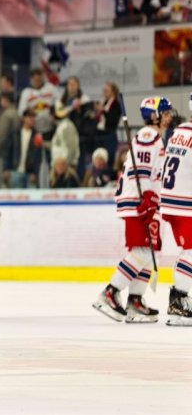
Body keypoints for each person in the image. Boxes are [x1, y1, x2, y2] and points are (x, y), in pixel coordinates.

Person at [93, 97, 172, 324]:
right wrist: (146, 197)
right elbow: (142, 170)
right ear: (155, 115)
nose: (168, 116)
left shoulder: (153, 136)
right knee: (143, 251)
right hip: (139, 201)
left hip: (146, 201)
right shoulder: (149, 135)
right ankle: (110, 292)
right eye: (164, 112)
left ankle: (135, 301)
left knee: (152, 252)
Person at [159, 100, 192, 326]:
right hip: (183, 202)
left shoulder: (179, 131)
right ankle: (177, 302)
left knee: (188, 250)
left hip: (171, 199)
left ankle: (180, 300)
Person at [18, 68, 60, 187]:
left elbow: (59, 105)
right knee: (36, 161)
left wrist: (54, 112)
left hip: (50, 131)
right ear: (31, 79)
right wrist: (28, 112)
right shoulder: (27, 92)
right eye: (34, 77)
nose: (37, 79)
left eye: (39, 76)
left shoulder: (51, 89)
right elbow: (21, 112)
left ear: (42, 77)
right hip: (34, 132)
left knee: (51, 159)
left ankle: (52, 184)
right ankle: (36, 184)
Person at [5, 109, 42, 188]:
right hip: (15, 171)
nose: (32, 119)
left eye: (33, 117)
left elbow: (38, 157)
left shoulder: (37, 136)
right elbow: (8, 152)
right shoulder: (15, 134)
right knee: (15, 198)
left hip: (30, 173)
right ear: (24, 118)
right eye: (29, 117)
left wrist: (35, 173)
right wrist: (6, 168)